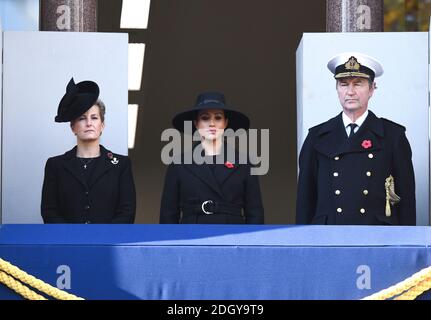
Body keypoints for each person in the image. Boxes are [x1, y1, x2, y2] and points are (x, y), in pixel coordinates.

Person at [296, 52, 416, 226]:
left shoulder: (393, 136)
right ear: (337, 89)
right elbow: (305, 200)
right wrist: (304, 244)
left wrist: (406, 245)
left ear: (372, 89)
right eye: (343, 84)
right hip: (328, 235)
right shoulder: (317, 136)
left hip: (376, 236)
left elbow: (406, 199)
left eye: (358, 84)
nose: (350, 92)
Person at [41, 78, 136, 223]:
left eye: (94, 118)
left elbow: (127, 212)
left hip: (108, 243)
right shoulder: (55, 165)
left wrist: (102, 238)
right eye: (82, 118)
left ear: (102, 125)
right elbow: (49, 212)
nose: (89, 123)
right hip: (68, 243)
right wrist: (72, 238)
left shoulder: (121, 165)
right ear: (73, 127)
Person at [160, 92, 264, 224]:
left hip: (233, 236)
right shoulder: (178, 164)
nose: (212, 124)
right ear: (196, 124)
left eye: (218, 117)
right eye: (205, 118)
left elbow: (255, 215)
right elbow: (168, 216)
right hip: (190, 237)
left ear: (225, 123)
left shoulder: (244, 164)